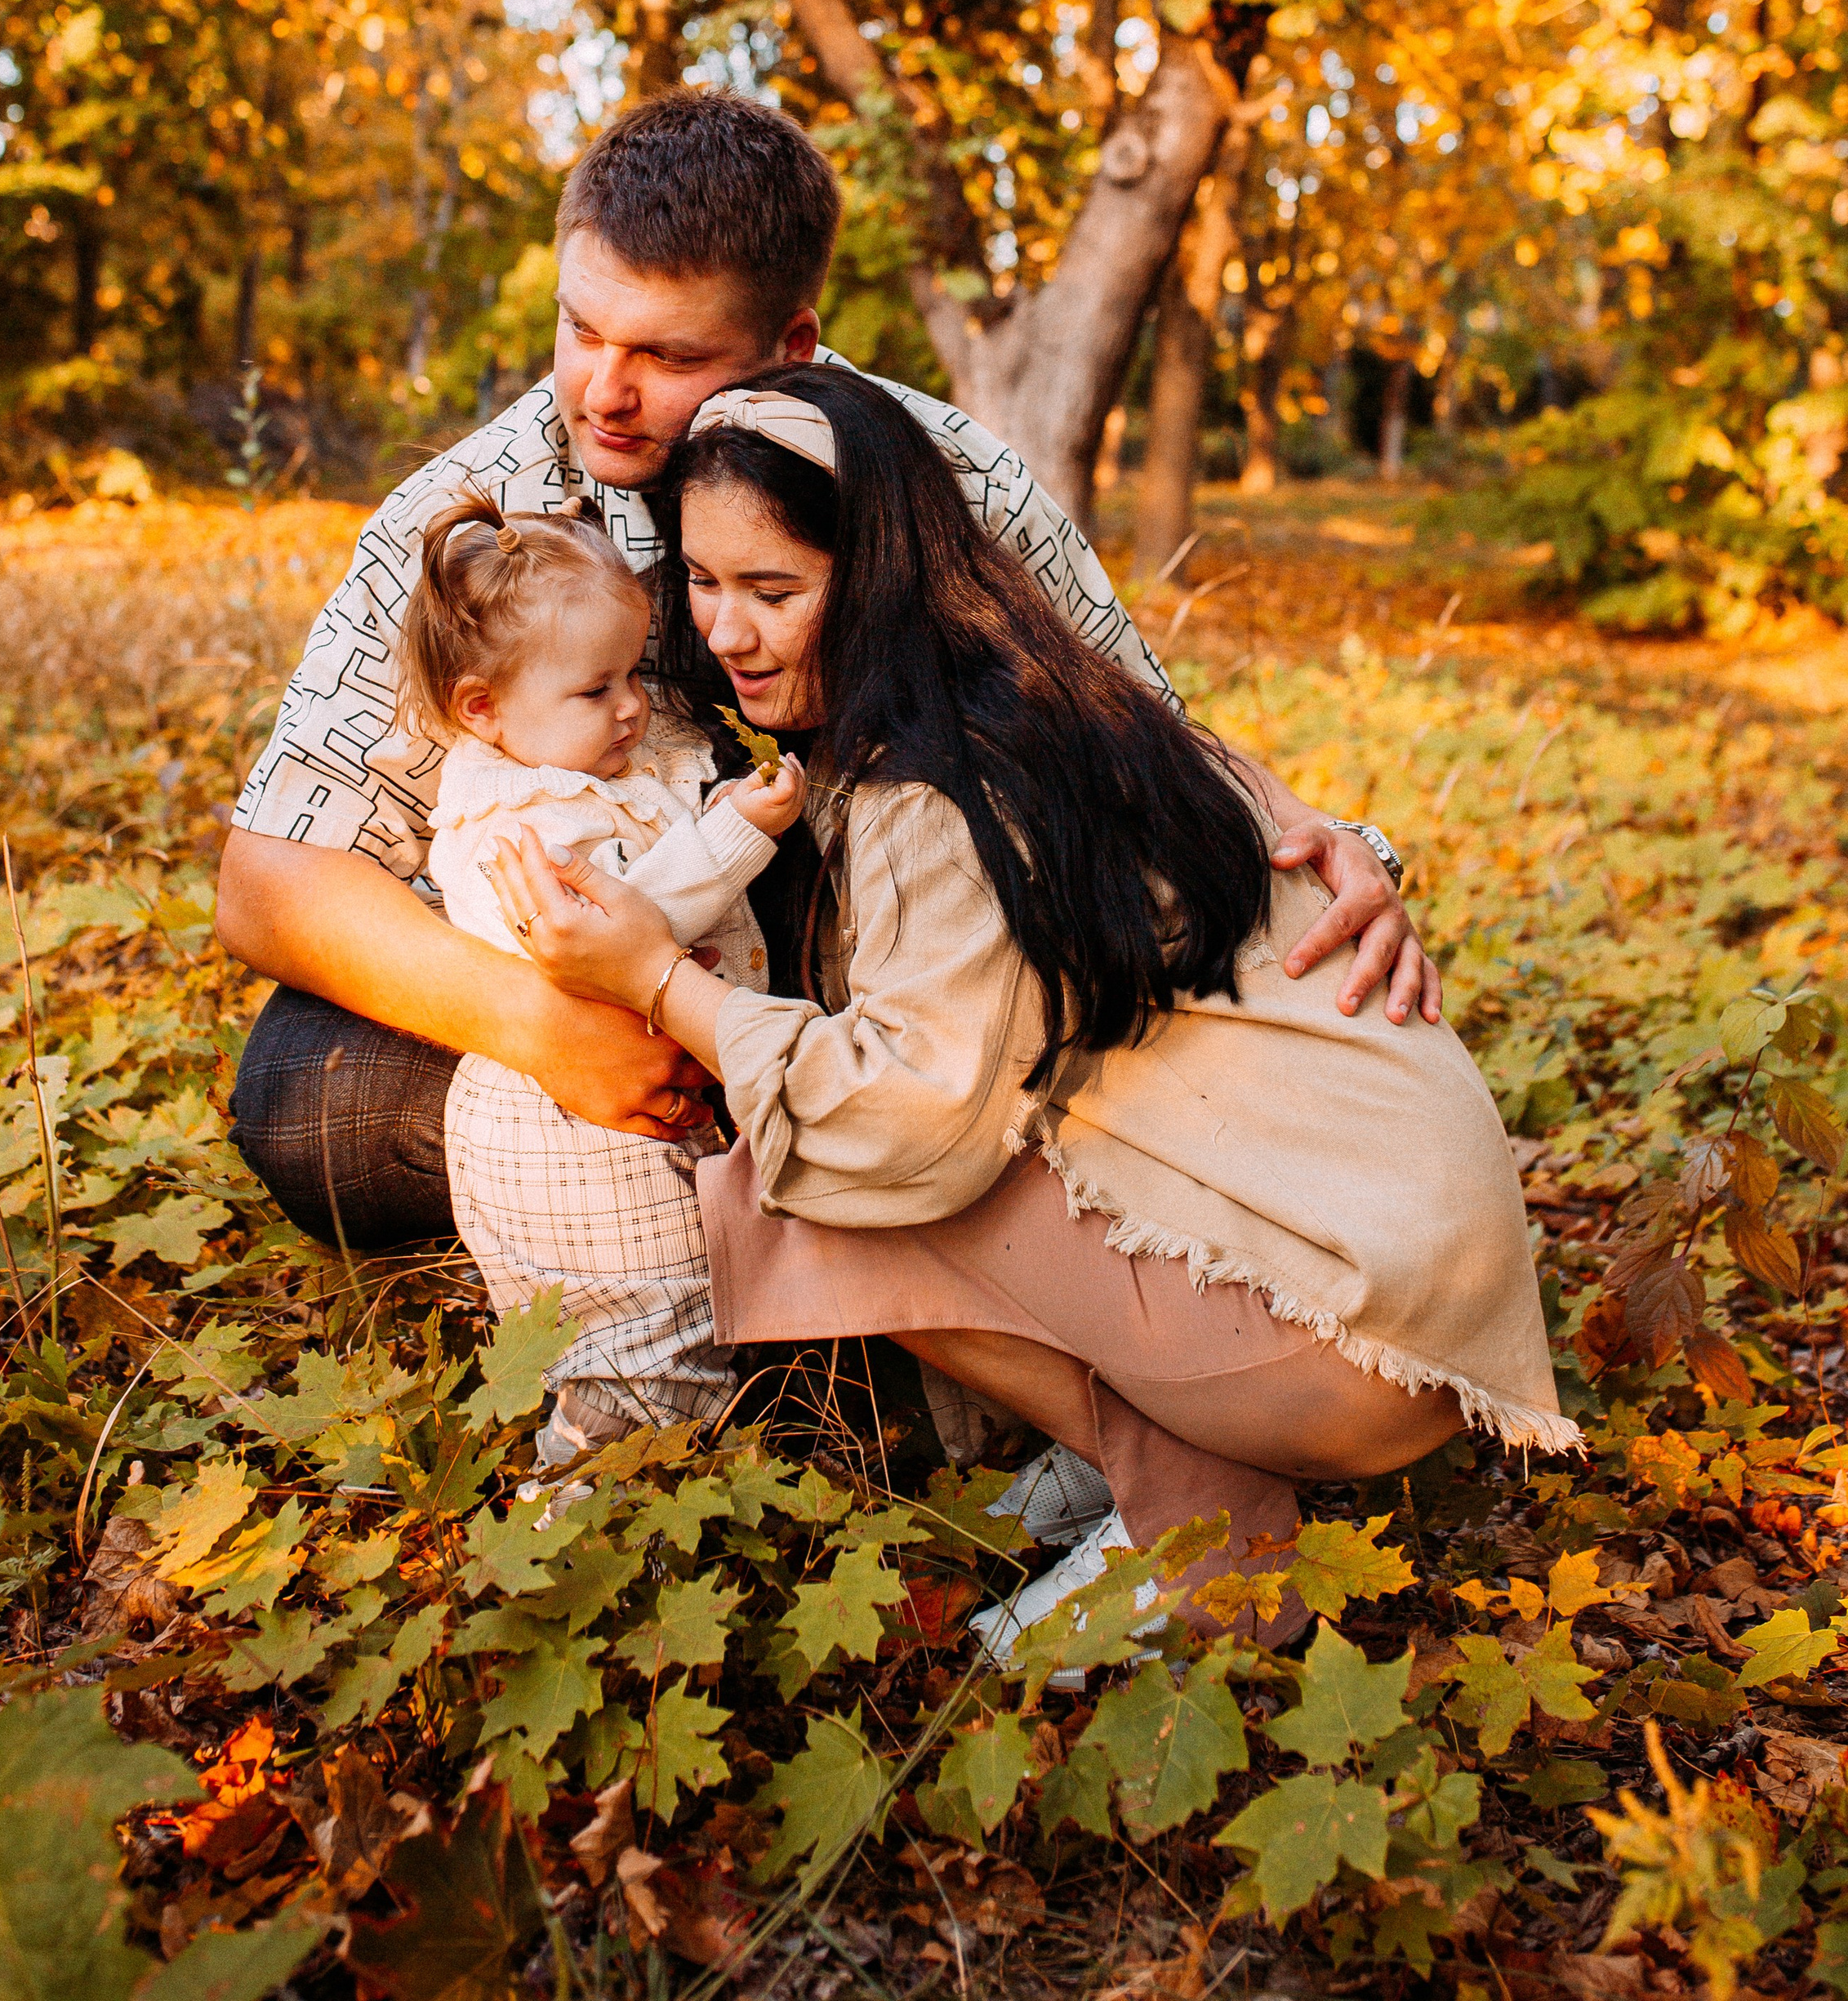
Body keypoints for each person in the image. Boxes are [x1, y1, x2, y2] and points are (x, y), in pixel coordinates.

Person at [218, 90, 1436, 1252]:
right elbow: (272, 878)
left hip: (891, 985)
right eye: (581, 328)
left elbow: (1128, 730)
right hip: (586, 968)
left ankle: (853, 1235)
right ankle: (746, 1232)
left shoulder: (947, 479)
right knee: (302, 1099)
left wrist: (1318, 837)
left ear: (791, 342)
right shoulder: (469, 521)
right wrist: (544, 1031)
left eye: (668, 354)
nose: (605, 390)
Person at [479, 367, 1572, 1648]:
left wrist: (654, 981)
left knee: (806, 1174)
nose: (724, 633)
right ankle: (1159, 1463)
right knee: (870, 1116)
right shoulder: (1056, 695)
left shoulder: (932, 792)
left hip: (1351, 1339)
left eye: (774, 591)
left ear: (881, 577)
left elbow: (898, 1115)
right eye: (706, 586)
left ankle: (1203, 1534)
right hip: (1409, 1268)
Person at [397, 484, 804, 1463]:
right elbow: (609, 932)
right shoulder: (512, 826)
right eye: (595, 690)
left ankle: (655, 1491)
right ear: (482, 710)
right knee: (642, 1347)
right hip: (572, 1127)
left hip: (633, 1107)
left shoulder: (579, 770)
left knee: (686, 1316)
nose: (631, 706)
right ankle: (576, 1531)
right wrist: (735, 834)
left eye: (631, 673)